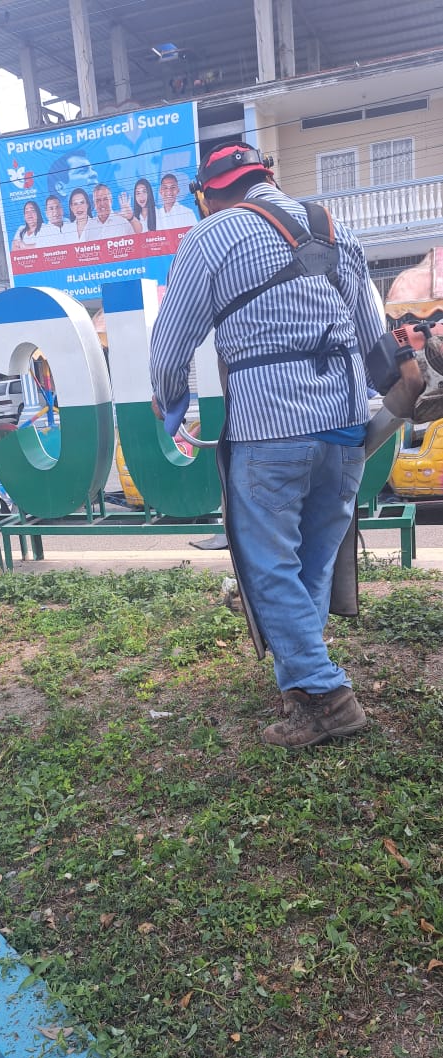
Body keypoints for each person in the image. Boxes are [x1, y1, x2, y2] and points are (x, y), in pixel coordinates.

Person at [149, 141, 386, 749]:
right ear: (268, 177)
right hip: (345, 427)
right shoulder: (334, 227)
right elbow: (375, 342)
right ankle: (301, 690)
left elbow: (171, 347)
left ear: (206, 194)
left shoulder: (210, 236)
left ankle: (328, 697)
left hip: (270, 426)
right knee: (310, 563)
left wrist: (168, 400)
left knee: (266, 566)